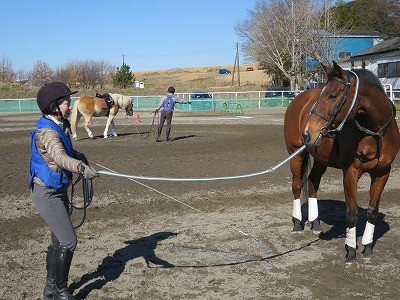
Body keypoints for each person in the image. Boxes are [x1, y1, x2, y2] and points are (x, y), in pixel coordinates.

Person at [29, 82, 99, 300]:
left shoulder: (61, 124)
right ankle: (60, 291)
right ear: (53, 106)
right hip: (47, 194)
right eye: (66, 102)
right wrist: (79, 167)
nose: (70, 106)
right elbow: (58, 156)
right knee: (69, 241)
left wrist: (78, 155)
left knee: (58, 241)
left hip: (58, 190)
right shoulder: (47, 132)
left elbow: (65, 150)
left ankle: (50, 289)